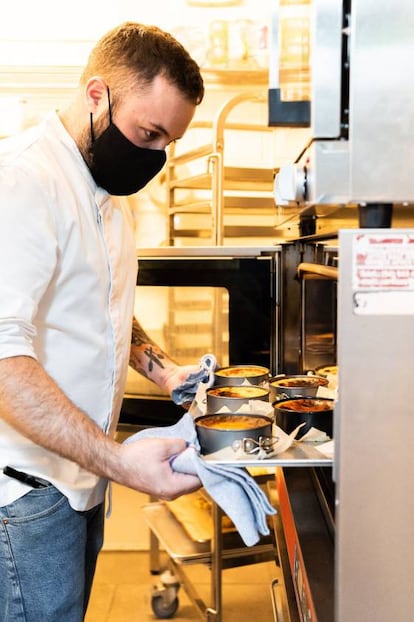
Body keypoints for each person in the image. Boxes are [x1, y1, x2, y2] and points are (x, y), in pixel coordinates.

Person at [0, 22, 205, 622]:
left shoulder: (104, 190)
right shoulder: (24, 182)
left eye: (166, 144)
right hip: (27, 491)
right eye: (147, 133)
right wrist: (120, 462)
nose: (152, 157)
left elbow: (101, 302)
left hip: (78, 481)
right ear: (98, 94)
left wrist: (164, 372)